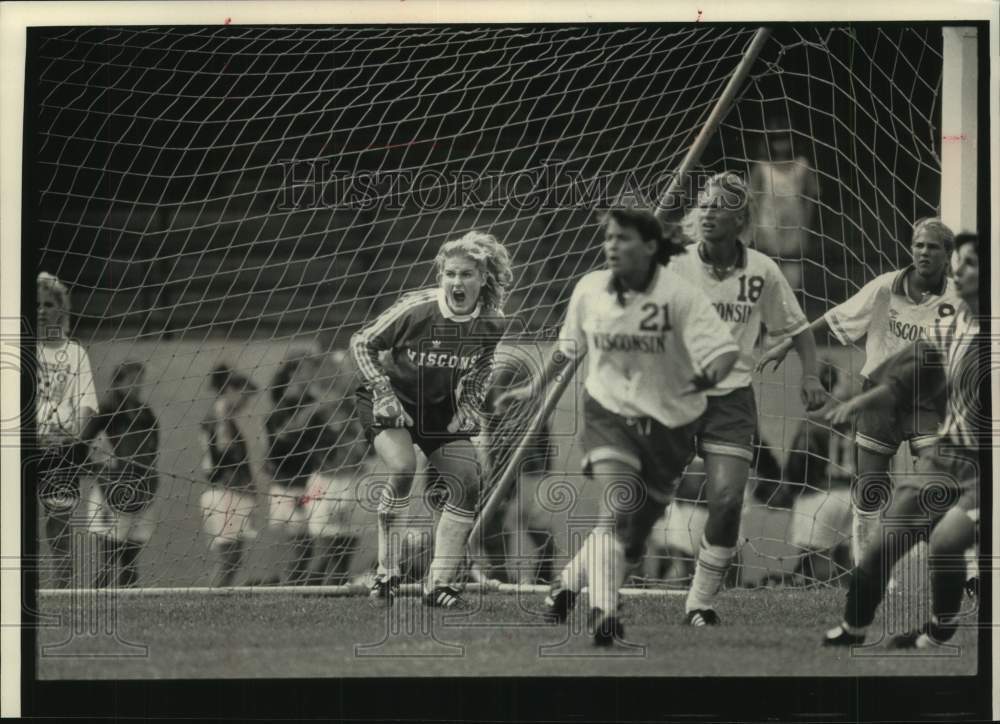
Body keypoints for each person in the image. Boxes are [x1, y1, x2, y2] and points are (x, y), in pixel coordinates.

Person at [498, 207, 740, 645]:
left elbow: (725, 352)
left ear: (649, 246)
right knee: (618, 505)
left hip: (670, 423)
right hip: (607, 412)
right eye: (608, 237)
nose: (612, 245)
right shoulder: (589, 289)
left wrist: (709, 376)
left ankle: (567, 586)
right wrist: (534, 387)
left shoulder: (679, 297)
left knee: (630, 535)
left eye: (623, 238)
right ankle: (605, 614)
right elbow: (568, 346)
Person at [668, 171, 826, 625]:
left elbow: (799, 330)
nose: (709, 211)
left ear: (741, 218)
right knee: (637, 498)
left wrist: (811, 377)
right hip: (676, 397)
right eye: (705, 204)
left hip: (732, 401)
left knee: (728, 500)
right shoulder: (673, 263)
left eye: (720, 205)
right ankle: (576, 580)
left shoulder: (762, 270)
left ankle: (698, 604)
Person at [757, 217, 961, 566]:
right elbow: (836, 316)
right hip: (878, 396)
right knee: (869, 492)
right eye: (919, 245)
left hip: (928, 399)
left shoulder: (961, 297)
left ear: (948, 255)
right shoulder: (885, 287)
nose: (924, 252)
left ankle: (962, 571)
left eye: (933, 247)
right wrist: (783, 347)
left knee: (939, 486)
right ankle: (867, 572)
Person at [823, 231, 983, 649]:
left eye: (970, 263)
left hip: (986, 469)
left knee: (945, 543)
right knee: (884, 541)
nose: (959, 271)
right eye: (960, 262)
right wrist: (857, 403)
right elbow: (902, 380)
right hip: (945, 460)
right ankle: (852, 629)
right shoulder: (951, 326)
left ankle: (939, 629)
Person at [350, 230, 512, 608]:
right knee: (404, 468)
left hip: (437, 408)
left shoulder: (492, 321)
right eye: (450, 273)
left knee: (468, 482)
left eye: (466, 274)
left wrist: (470, 402)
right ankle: (387, 574)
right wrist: (385, 394)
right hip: (388, 397)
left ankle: (439, 584)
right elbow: (362, 342)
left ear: (483, 277)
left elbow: (484, 364)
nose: (456, 282)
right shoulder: (418, 308)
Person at [35, 272, 98, 588]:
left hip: (61, 450)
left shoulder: (75, 353)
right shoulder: (22, 350)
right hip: (26, 447)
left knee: (59, 524)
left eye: (48, 304)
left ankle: (64, 586)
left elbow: (87, 404)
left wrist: (74, 439)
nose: (42, 310)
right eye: (37, 304)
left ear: (61, 309)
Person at [84, 361, 160, 588]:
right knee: (108, 559)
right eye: (131, 380)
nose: (137, 385)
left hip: (140, 490)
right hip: (111, 491)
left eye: (140, 380)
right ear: (118, 383)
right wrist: (99, 468)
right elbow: (81, 446)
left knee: (130, 559)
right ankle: (95, 607)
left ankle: (130, 601)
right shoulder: (107, 411)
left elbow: (152, 451)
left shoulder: (146, 414)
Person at [783, 360, 855, 586]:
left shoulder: (812, 423)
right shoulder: (854, 422)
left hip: (819, 495)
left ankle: (823, 595)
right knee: (845, 556)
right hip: (851, 495)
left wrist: (792, 491)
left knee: (817, 557)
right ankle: (853, 597)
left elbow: (798, 463)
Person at [264, 353, 328, 585]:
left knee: (316, 545)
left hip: (312, 482)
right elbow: (283, 439)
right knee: (299, 548)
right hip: (289, 484)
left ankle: (299, 588)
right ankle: (287, 588)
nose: (311, 375)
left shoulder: (312, 400)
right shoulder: (284, 405)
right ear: (293, 373)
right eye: (305, 369)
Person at [199, 364, 260, 587]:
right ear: (230, 390)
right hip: (225, 493)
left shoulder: (227, 419)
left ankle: (220, 599)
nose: (246, 402)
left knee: (234, 559)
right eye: (244, 395)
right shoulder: (217, 418)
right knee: (228, 558)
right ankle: (212, 600)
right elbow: (219, 456)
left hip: (235, 493)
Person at [749, 116, 820, 293]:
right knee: (767, 277)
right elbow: (752, 199)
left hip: (794, 227)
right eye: (776, 140)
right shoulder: (762, 166)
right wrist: (755, 231)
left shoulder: (802, 165)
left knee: (791, 279)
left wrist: (806, 228)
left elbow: (812, 197)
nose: (781, 144)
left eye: (785, 138)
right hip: (767, 227)